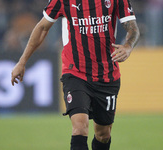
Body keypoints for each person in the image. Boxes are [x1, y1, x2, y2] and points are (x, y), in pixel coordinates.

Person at [11, 0, 140, 149]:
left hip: (107, 75)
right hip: (75, 72)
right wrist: (22, 61)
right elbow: (42, 28)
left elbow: (132, 26)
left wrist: (128, 46)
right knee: (80, 126)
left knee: (103, 135)